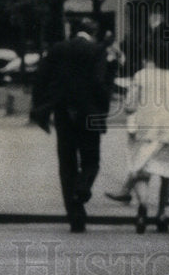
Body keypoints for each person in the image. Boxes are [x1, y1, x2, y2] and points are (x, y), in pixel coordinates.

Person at [106, 27, 169, 232]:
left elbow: (129, 105)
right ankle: (162, 214)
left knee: (142, 172)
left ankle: (142, 209)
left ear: (152, 57)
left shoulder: (141, 76)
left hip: (145, 129)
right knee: (167, 174)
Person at [30, 16, 110, 232]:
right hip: (88, 112)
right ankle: (83, 187)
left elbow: (41, 78)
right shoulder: (97, 50)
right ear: (93, 32)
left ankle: (75, 216)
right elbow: (99, 82)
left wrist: (41, 108)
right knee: (91, 159)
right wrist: (103, 109)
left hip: (63, 111)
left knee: (67, 163)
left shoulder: (58, 49)